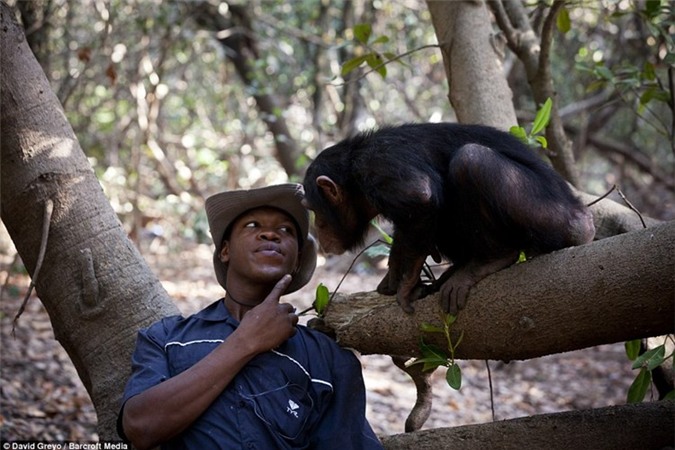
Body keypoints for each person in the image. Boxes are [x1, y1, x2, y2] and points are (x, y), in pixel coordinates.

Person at [117, 183, 384, 450]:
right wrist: (247, 340)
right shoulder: (166, 338)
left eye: (285, 230)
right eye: (253, 225)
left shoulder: (329, 359)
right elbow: (140, 428)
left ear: (297, 259)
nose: (270, 234)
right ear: (225, 251)